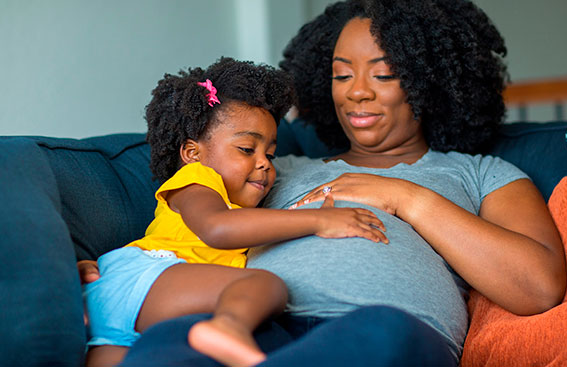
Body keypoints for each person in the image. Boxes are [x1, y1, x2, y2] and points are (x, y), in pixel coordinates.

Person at [80, 0, 567, 365]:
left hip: (386, 333)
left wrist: (405, 197)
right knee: (174, 341)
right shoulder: (269, 167)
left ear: (429, 80)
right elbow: (194, 231)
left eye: (385, 74)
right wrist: (114, 270)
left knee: (384, 332)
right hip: (256, 325)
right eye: (340, 75)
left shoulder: (481, 174)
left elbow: (537, 287)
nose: (356, 91)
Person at [81, 57, 389, 367]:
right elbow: (218, 228)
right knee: (263, 285)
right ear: (192, 153)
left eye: (270, 153)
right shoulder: (197, 180)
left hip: (121, 318)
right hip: (144, 278)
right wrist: (319, 219)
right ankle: (229, 326)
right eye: (246, 149)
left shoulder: (237, 204)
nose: (265, 163)